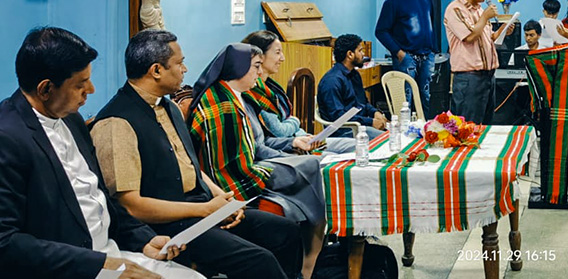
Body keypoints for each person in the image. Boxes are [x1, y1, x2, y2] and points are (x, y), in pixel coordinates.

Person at [92, 29, 302, 279]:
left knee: (285, 231)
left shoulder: (168, 106)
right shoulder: (117, 122)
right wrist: (205, 210)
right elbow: (131, 205)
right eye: (179, 63)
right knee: (259, 261)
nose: (185, 69)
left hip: (199, 207)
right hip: (166, 224)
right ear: (156, 70)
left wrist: (222, 199)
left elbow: (190, 165)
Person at [0, 27, 202, 279]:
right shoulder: (7, 137)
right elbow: (6, 242)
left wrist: (142, 240)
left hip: (109, 253)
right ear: (45, 89)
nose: (92, 90)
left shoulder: (71, 119)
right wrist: (96, 265)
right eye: (80, 84)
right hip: (70, 268)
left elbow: (99, 197)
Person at [188, 43, 328, 279]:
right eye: (255, 67)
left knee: (311, 165)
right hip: (231, 182)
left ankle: (312, 253)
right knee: (311, 169)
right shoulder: (223, 108)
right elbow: (229, 167)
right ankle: (310, 256)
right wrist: (269, 169)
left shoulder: (233, 96)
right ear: (237, 69)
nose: (259, 72)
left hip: (250, 165)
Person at [243, 31, 354, 153]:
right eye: (277, 53)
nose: (282, 58)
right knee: (337, 157)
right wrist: (296, 121)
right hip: (291, 145)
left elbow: (284, 121)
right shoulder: (254, 92)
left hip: (302, 137)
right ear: (260, 56)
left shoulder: (270, 86)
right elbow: (279, 130)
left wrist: (302, 132)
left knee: (354, 145)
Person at [445, 0, 511, 124]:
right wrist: (485, 16)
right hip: (469, 79)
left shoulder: (479, 10)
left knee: (485, 126)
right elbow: (470, 36)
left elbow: (489, 37)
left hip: (488, 77)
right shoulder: (455, 9)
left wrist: (503, 30)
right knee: (467, 128)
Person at [375, 0, 437, 113]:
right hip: (406, 57)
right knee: (405, 100)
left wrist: (433, 50)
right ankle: (405, 134)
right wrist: (398, 52)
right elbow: (381, 31)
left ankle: (426, 131)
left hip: (427, 55)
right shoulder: (393, 0)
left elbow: (431, 21)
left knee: (426, 96)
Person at [317, 34, 387, 139]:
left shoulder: (354, 74)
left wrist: (375, 112)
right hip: (343, 132)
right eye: (360, 51)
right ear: (350, 54)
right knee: (387, 139)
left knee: (396, 134)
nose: (363, 54)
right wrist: (370, 122)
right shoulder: (332, 81)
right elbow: (339, 118)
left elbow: (362, 103)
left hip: (360, 126)